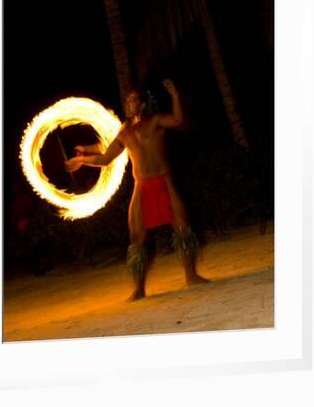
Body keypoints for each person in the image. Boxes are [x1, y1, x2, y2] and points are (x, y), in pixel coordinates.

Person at [65, 79, 209, 301]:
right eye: (127, 100)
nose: (128, 104)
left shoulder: (156, 121)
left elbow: (178, 119)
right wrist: (83, 160)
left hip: (164, 181)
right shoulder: (124, 130)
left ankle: (191, 276)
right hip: (141, 186)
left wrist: (174, 95)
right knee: (136, 238)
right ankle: (139, 289)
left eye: (133, 100)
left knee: (183, 230)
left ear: (142, 104)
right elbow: (105, 158)